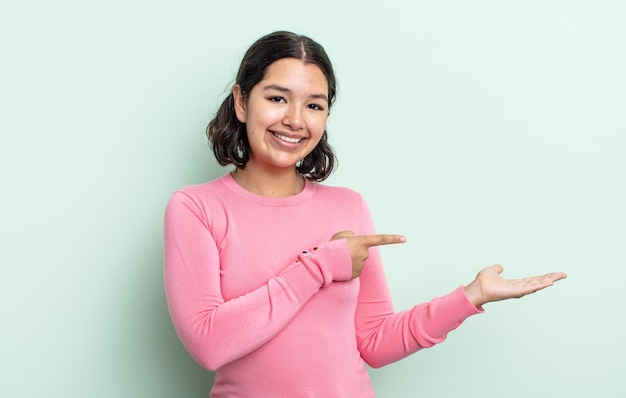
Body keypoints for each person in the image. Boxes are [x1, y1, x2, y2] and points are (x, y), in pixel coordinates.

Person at [163, 31, 566, 397]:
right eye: (277, 98)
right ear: (241, 101)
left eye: (314, 105)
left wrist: (471, 296)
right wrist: (320, 266)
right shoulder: (196, 208)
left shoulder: (347, 206)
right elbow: (209, 345)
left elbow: (373, 340)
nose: (295, 120)